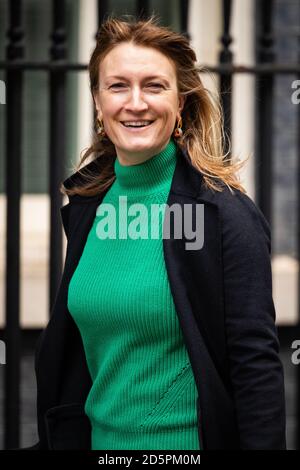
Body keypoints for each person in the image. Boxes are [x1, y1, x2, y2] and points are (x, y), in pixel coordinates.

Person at [28, 15, 286, 450]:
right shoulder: (88, 207)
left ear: (180, 103)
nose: (136, 102)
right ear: (97, 101)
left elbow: (255, 366)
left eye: (154, 85)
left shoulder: (223, 214)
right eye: (117, 86)